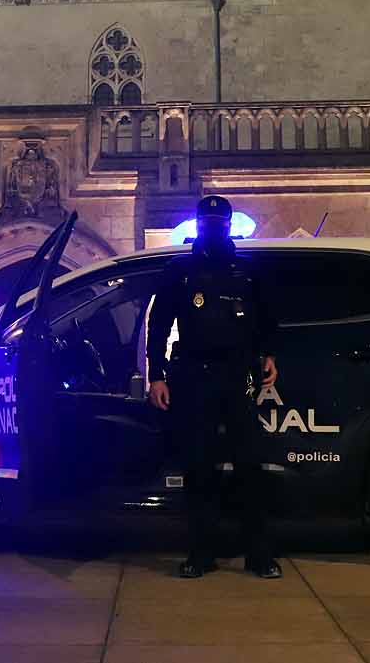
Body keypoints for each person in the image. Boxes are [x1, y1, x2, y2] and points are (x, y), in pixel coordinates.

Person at [146, 195, 281, 579]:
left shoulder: (248, 270)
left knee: (249, 467)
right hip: (193, 374)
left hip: (239, 375)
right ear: (199, 225)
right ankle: (200, 554)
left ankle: (259, 555)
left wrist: (269, 354)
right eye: (208, 223)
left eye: (219, 223)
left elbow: (267, 319)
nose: (214, 229)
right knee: (199, 467)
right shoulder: (179, 270)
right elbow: (159, 325)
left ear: (228, 225)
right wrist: (157, 374)